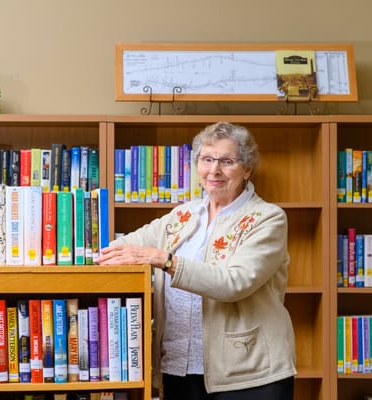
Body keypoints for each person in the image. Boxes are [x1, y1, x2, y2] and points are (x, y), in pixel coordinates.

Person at [96, 121, 297, 400]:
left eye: (227, 161)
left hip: (248, 374)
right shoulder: (183, 215)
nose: (214, 170)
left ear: (247, 169)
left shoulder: (267, 218)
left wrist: (164, 259)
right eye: (206, 159)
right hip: (179, 368)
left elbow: (234, 282)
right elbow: (124, 246)